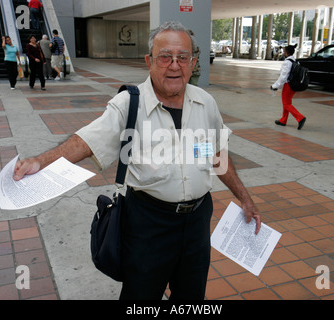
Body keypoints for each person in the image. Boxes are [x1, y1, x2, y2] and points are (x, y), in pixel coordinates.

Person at [13, 21, 261, 300]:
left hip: (198, 221)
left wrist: (245, 198)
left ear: (193, 63)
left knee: (191, 296)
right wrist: (40, 162)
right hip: (147, 221)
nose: (174, 65)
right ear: (149, 61)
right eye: (165, 57)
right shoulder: (129, 103)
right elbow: (84, 142)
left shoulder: (206, 103)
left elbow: (216, 156)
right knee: (140, 297)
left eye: (183, 58)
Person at [270, 44, 306, 130]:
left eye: (284, 51)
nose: (283, 52)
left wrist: (275, 86)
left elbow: (283, 77)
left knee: (286, 104)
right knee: (287, 103)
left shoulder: (287, 62)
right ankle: (283, 120)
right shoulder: (295, 61)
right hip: (293, 85)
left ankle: (300, 118)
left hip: (288, 86)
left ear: (286, 52)